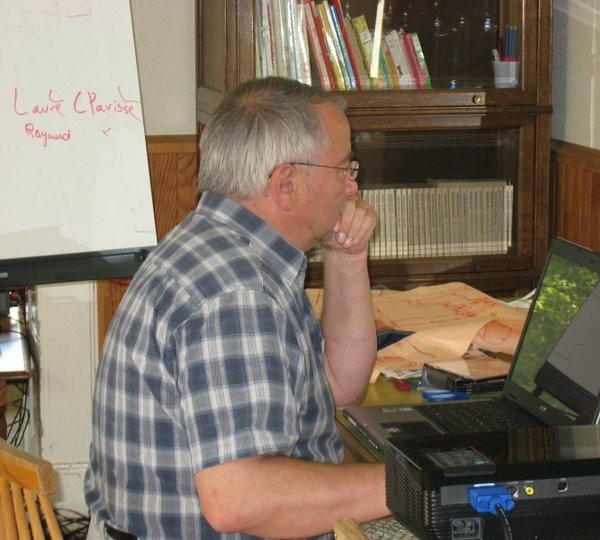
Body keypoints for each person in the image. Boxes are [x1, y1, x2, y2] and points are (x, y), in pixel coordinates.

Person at [84, 76, 389, 539]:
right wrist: (412, 486)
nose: (352, 187)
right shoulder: (235, 291)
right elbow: (241, 500)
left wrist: (347, 256)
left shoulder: (228, 247)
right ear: (286, 185)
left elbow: (339, 388)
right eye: (344, 168)